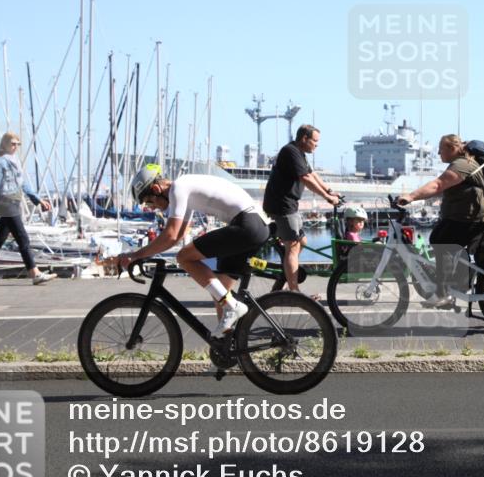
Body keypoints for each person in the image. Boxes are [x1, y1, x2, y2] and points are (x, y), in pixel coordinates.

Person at [116, 165, 270, 337]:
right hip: (255, 226)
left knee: (184, 257)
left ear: (156, 189)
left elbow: (171, 235)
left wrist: (135, 255)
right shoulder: (184, 190)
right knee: (219, 289)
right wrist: (142, 254)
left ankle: (232, 307)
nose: (151, 208)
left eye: (149, 202)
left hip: (247, 225)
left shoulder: (179, 187)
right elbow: (178, 235)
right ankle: (226, 346)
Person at [397, 134, 484, 307]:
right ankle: (457, 283)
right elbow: (443, 190)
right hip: (467, 216)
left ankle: (444, 293)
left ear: (452, 149)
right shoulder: (461, 163)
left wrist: (411, 196)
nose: (438, 153)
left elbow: (437, 185)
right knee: (439, 237)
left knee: (441, 241)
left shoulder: (462, 164)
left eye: (441, 149)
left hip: (477, 217)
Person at [263, 125, 340, 294]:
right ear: (305, 138)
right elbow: (305, 178)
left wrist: (329, 191)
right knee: (293, 246)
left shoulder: (300, 154)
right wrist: (327, 198)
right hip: (281, 205)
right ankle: (294, 291)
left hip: (290, 204)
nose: (317, 145)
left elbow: (312, 174)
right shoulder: (290, 151)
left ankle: (285, 275)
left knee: (302, 242)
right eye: (315, 141)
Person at [0, 132, 56, 285]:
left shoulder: (15, 161)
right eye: (12, 143)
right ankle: (35, 273)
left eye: (18, 144)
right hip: (7, 203)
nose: (15, 147)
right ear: (5, 144)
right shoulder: (1, 163)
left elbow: (22, 183)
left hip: (14, 203)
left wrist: (37, 199)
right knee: (22, 238)